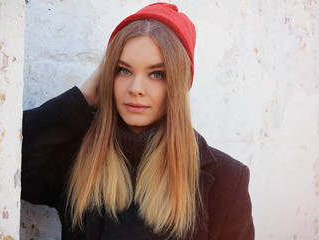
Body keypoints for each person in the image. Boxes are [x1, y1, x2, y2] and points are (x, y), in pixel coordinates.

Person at [21, 3, 254, 240]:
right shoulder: (78, 155)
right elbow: (7, 163)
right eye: (124, 70)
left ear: (180, 83)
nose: (136, 89)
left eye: (157, 74)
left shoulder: (227, 180)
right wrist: (84, 97)